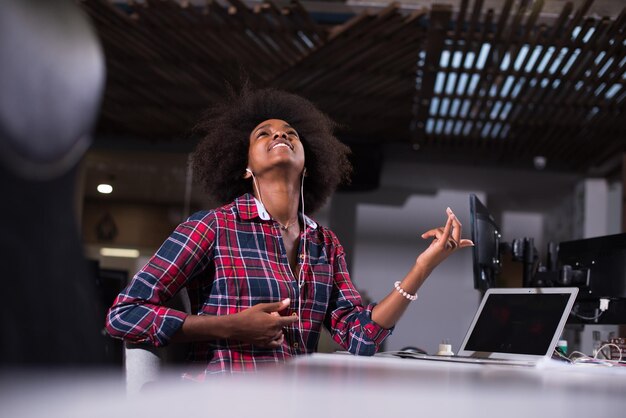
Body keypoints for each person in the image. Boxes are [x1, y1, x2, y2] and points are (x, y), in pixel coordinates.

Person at [105, 86, 473, 377]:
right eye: (263, 133)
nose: (279, 135)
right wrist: (228, 326)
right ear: (245, 166)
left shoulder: (325, 245)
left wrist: (423, 267)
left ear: (307, 164)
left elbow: (361, 339)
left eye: (289, 133)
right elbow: (123, 314)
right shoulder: (212, 226)